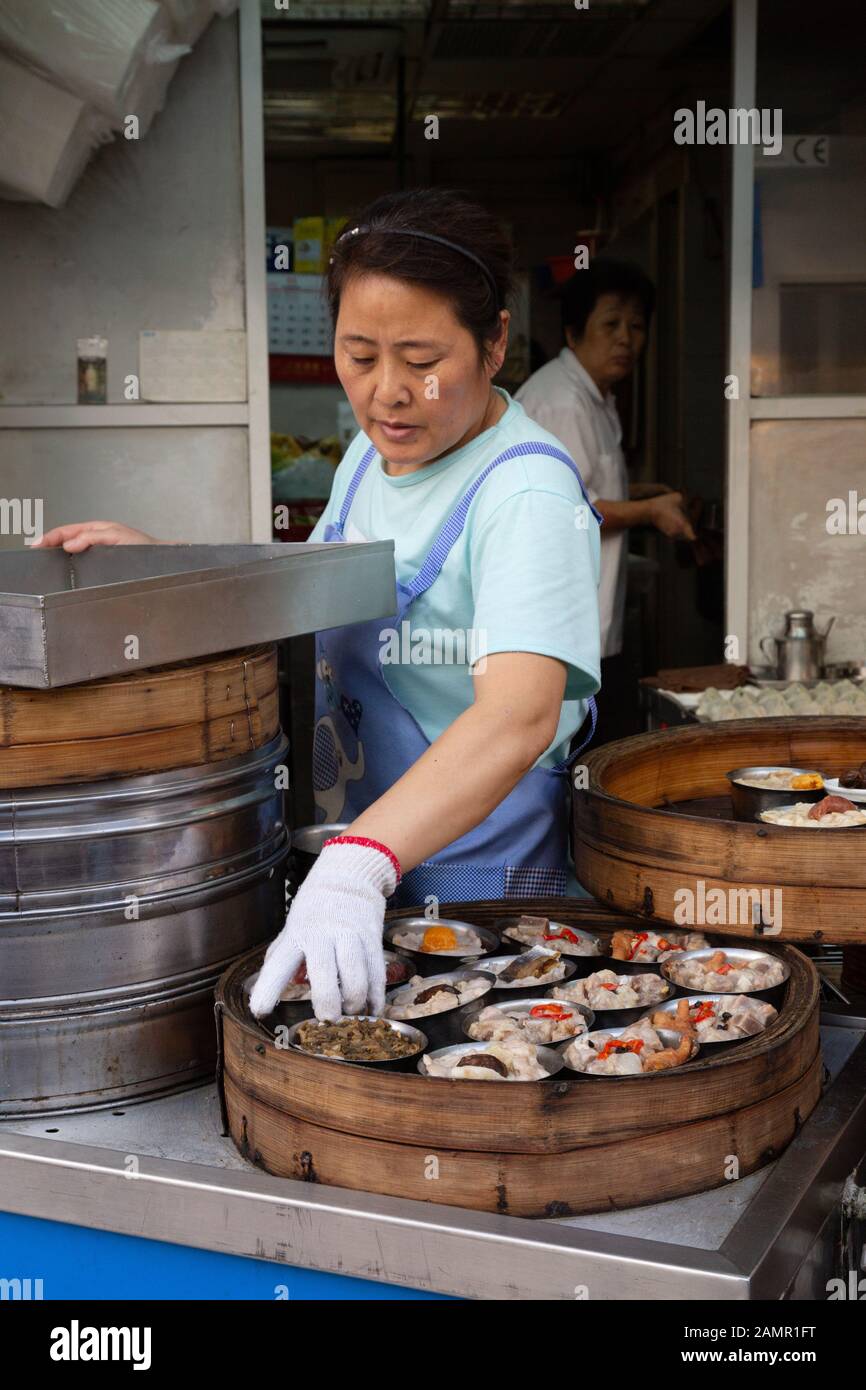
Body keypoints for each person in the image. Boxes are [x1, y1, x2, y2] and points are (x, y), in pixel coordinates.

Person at [35, 189, 602, 1023]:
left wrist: (361, 859)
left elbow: (518, 717)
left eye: (421, 358)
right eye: (360, 354)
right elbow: (314, 607)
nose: (387, 393)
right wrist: (171, 573)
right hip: (370, 866)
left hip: (481, 883)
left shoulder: (526, 493)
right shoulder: (373, 461)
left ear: (496, 343)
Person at [516, 260, 695, 662]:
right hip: (555, 626)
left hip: (578, 623)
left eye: (636, 326)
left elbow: (582, 483)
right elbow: (574, 510)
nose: (626, 340)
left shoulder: (596, 396)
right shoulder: (564, 403)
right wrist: (651, 510)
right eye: (611, 325)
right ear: (573, 333)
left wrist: (640, 492)